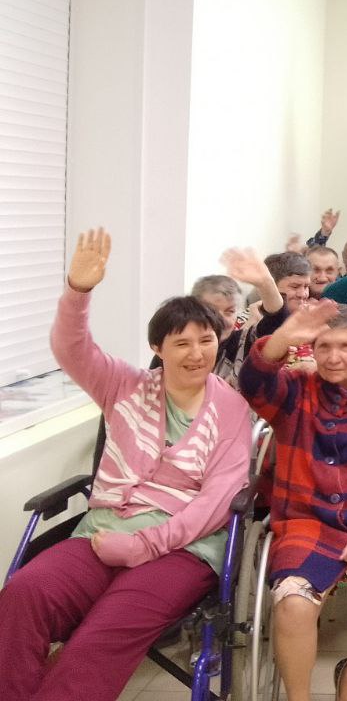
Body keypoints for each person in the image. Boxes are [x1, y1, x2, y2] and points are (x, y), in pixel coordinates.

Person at [0, 229, 253, 701]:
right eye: (182, 343)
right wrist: (78, 291)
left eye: (206, 340)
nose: (197, 353)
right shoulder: (124, 385)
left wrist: (142, 545)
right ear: (158, 348)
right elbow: (71, 349)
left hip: (183, 549)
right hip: (100, 534)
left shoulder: (232, 410)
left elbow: (216, 503)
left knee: (102, 633)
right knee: (24, 593)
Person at [239, 300, 347, 701]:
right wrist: (284, 336)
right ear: (312, 350)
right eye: (324, 346)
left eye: (345, 346)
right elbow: (253, 383)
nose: (334, 358)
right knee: (293, 605)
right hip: (305, 522)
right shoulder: (294, 392)